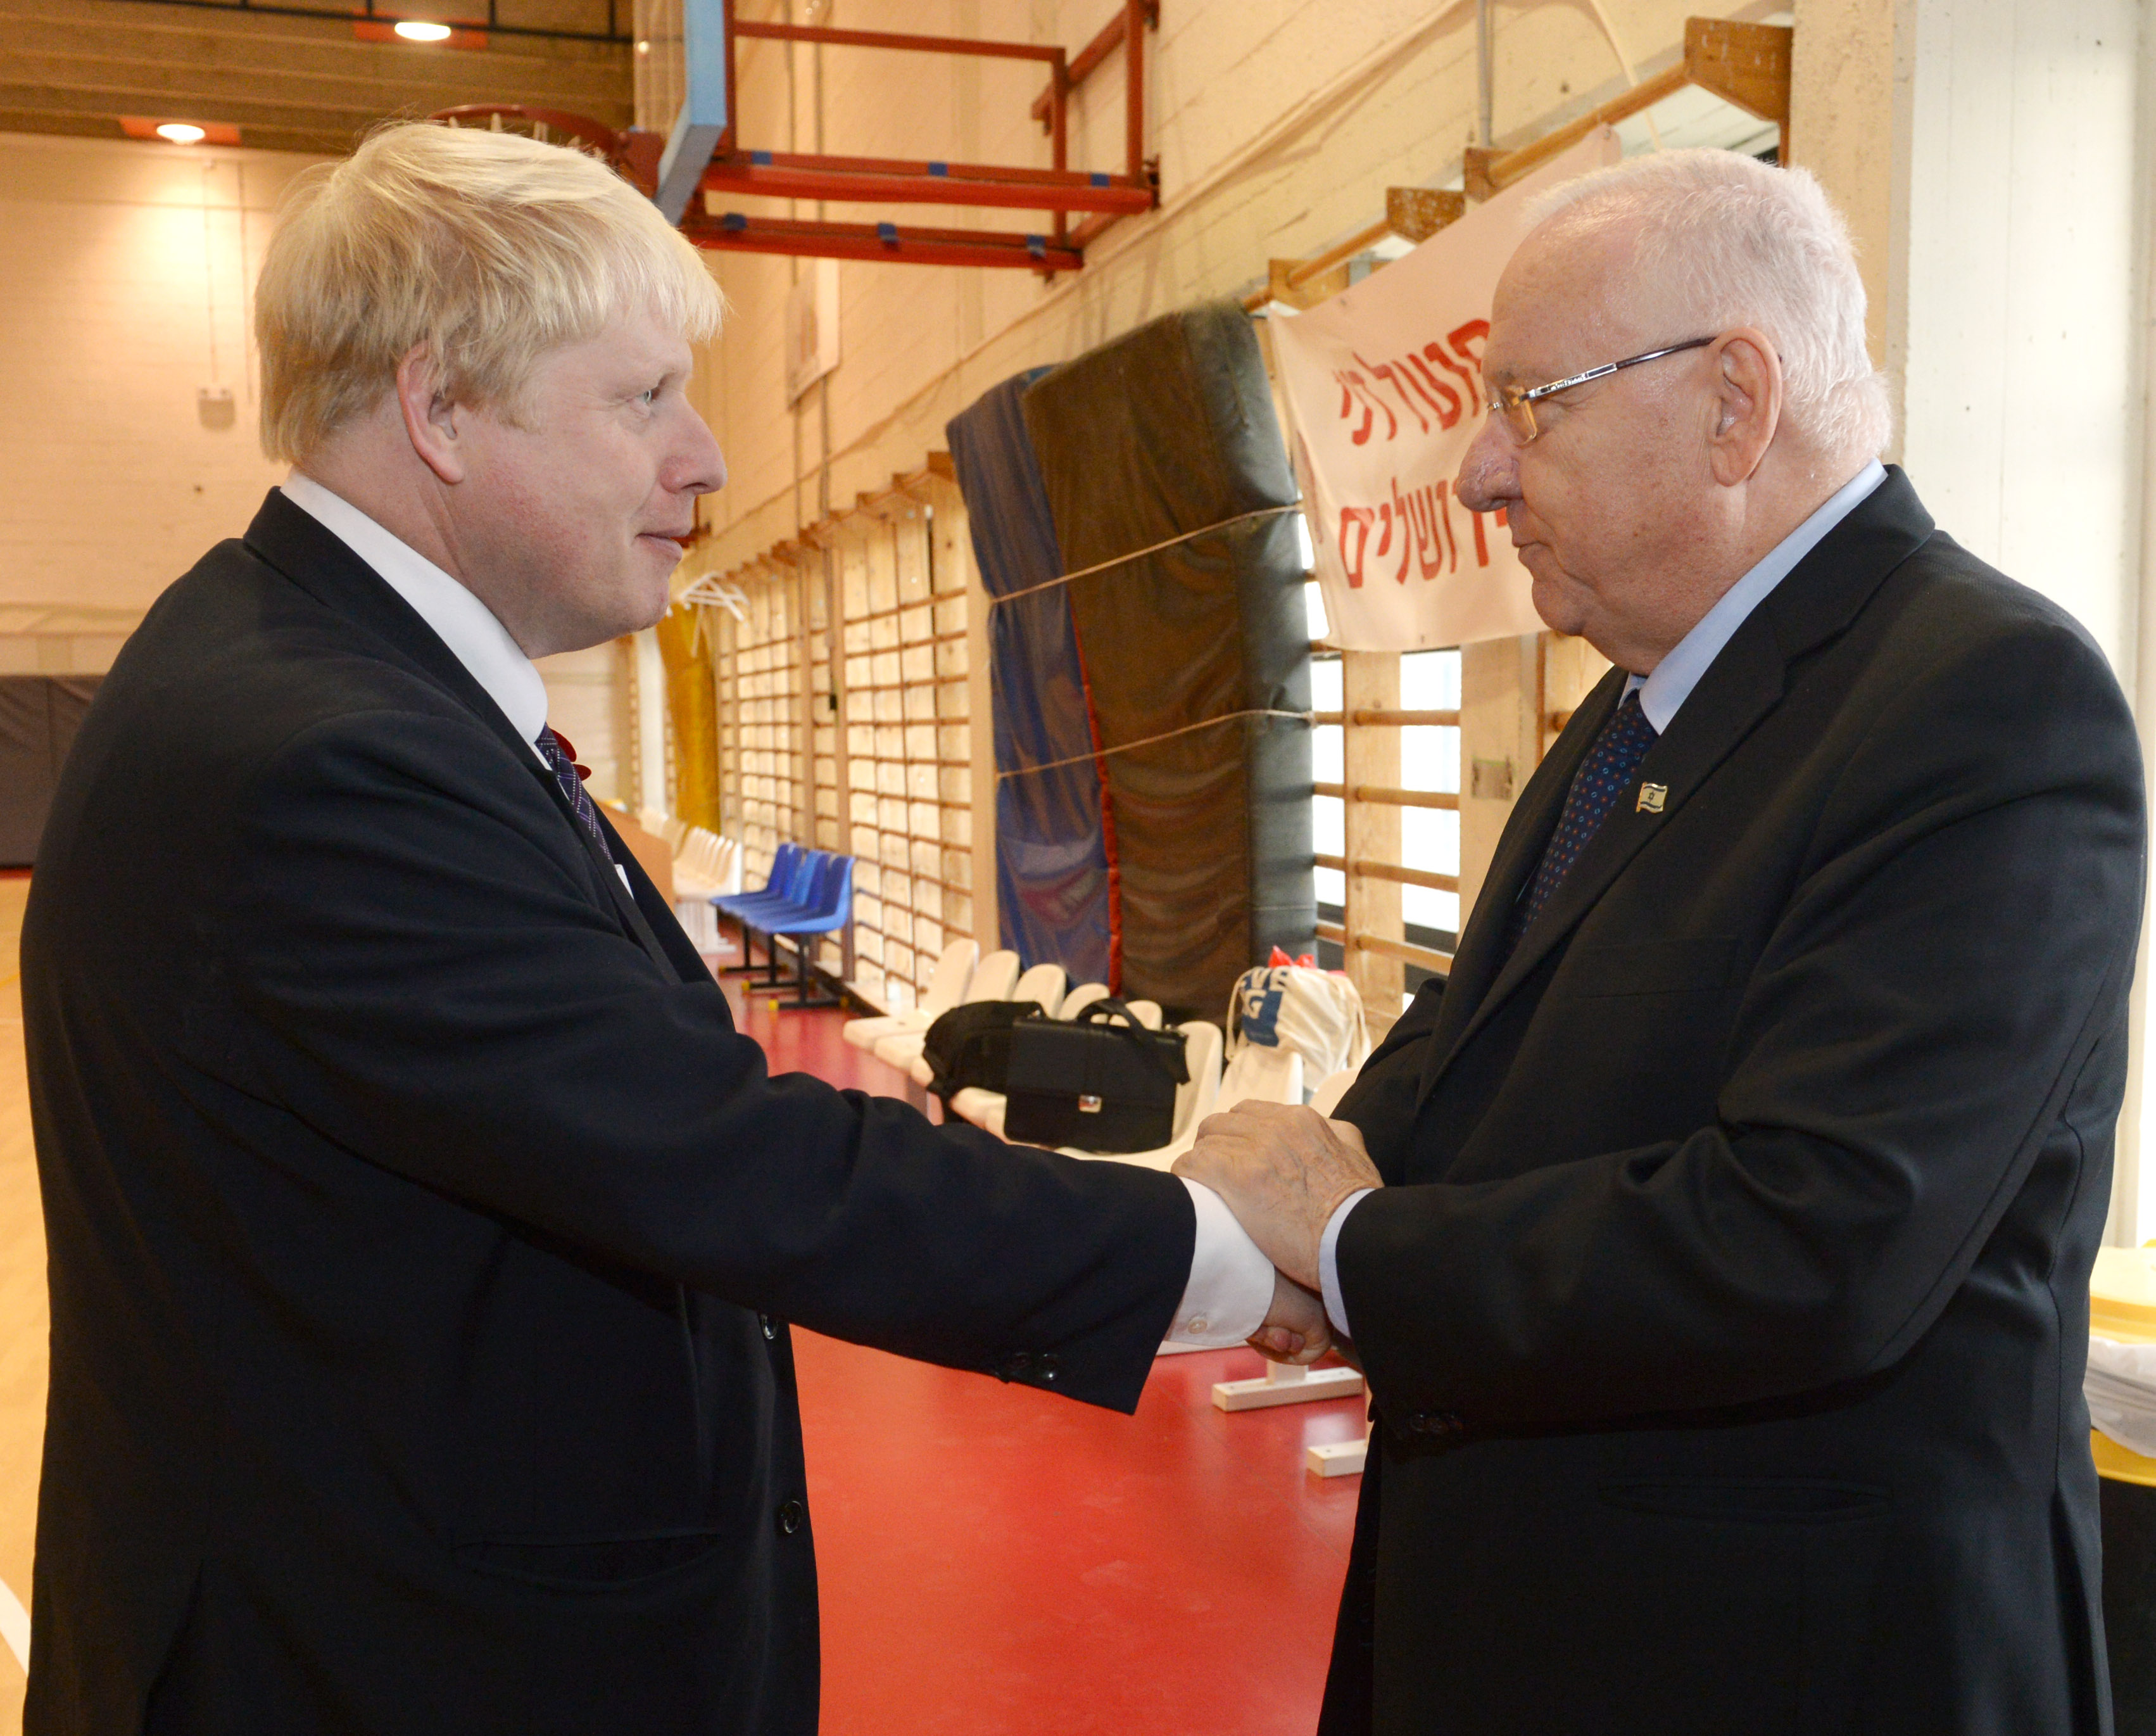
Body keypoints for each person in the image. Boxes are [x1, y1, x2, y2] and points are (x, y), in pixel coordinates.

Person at [20, 122, 1326, 1735]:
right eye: (643, 399)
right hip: (376, 1663)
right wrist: (1211, 1243)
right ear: (437, 409)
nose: (704, 456)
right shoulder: (319, 754)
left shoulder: (329, 677)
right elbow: (718, 1157)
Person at [1178, 148, 2145, 1733]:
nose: (1482, 473)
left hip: (1791, 1661)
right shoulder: (1639, 708)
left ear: (1732, 403)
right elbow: (1478, 1048)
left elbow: (1811, 1240)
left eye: (1530, 404)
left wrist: (1353, 1250)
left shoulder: (1981, 702)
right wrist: (1274, 1215)